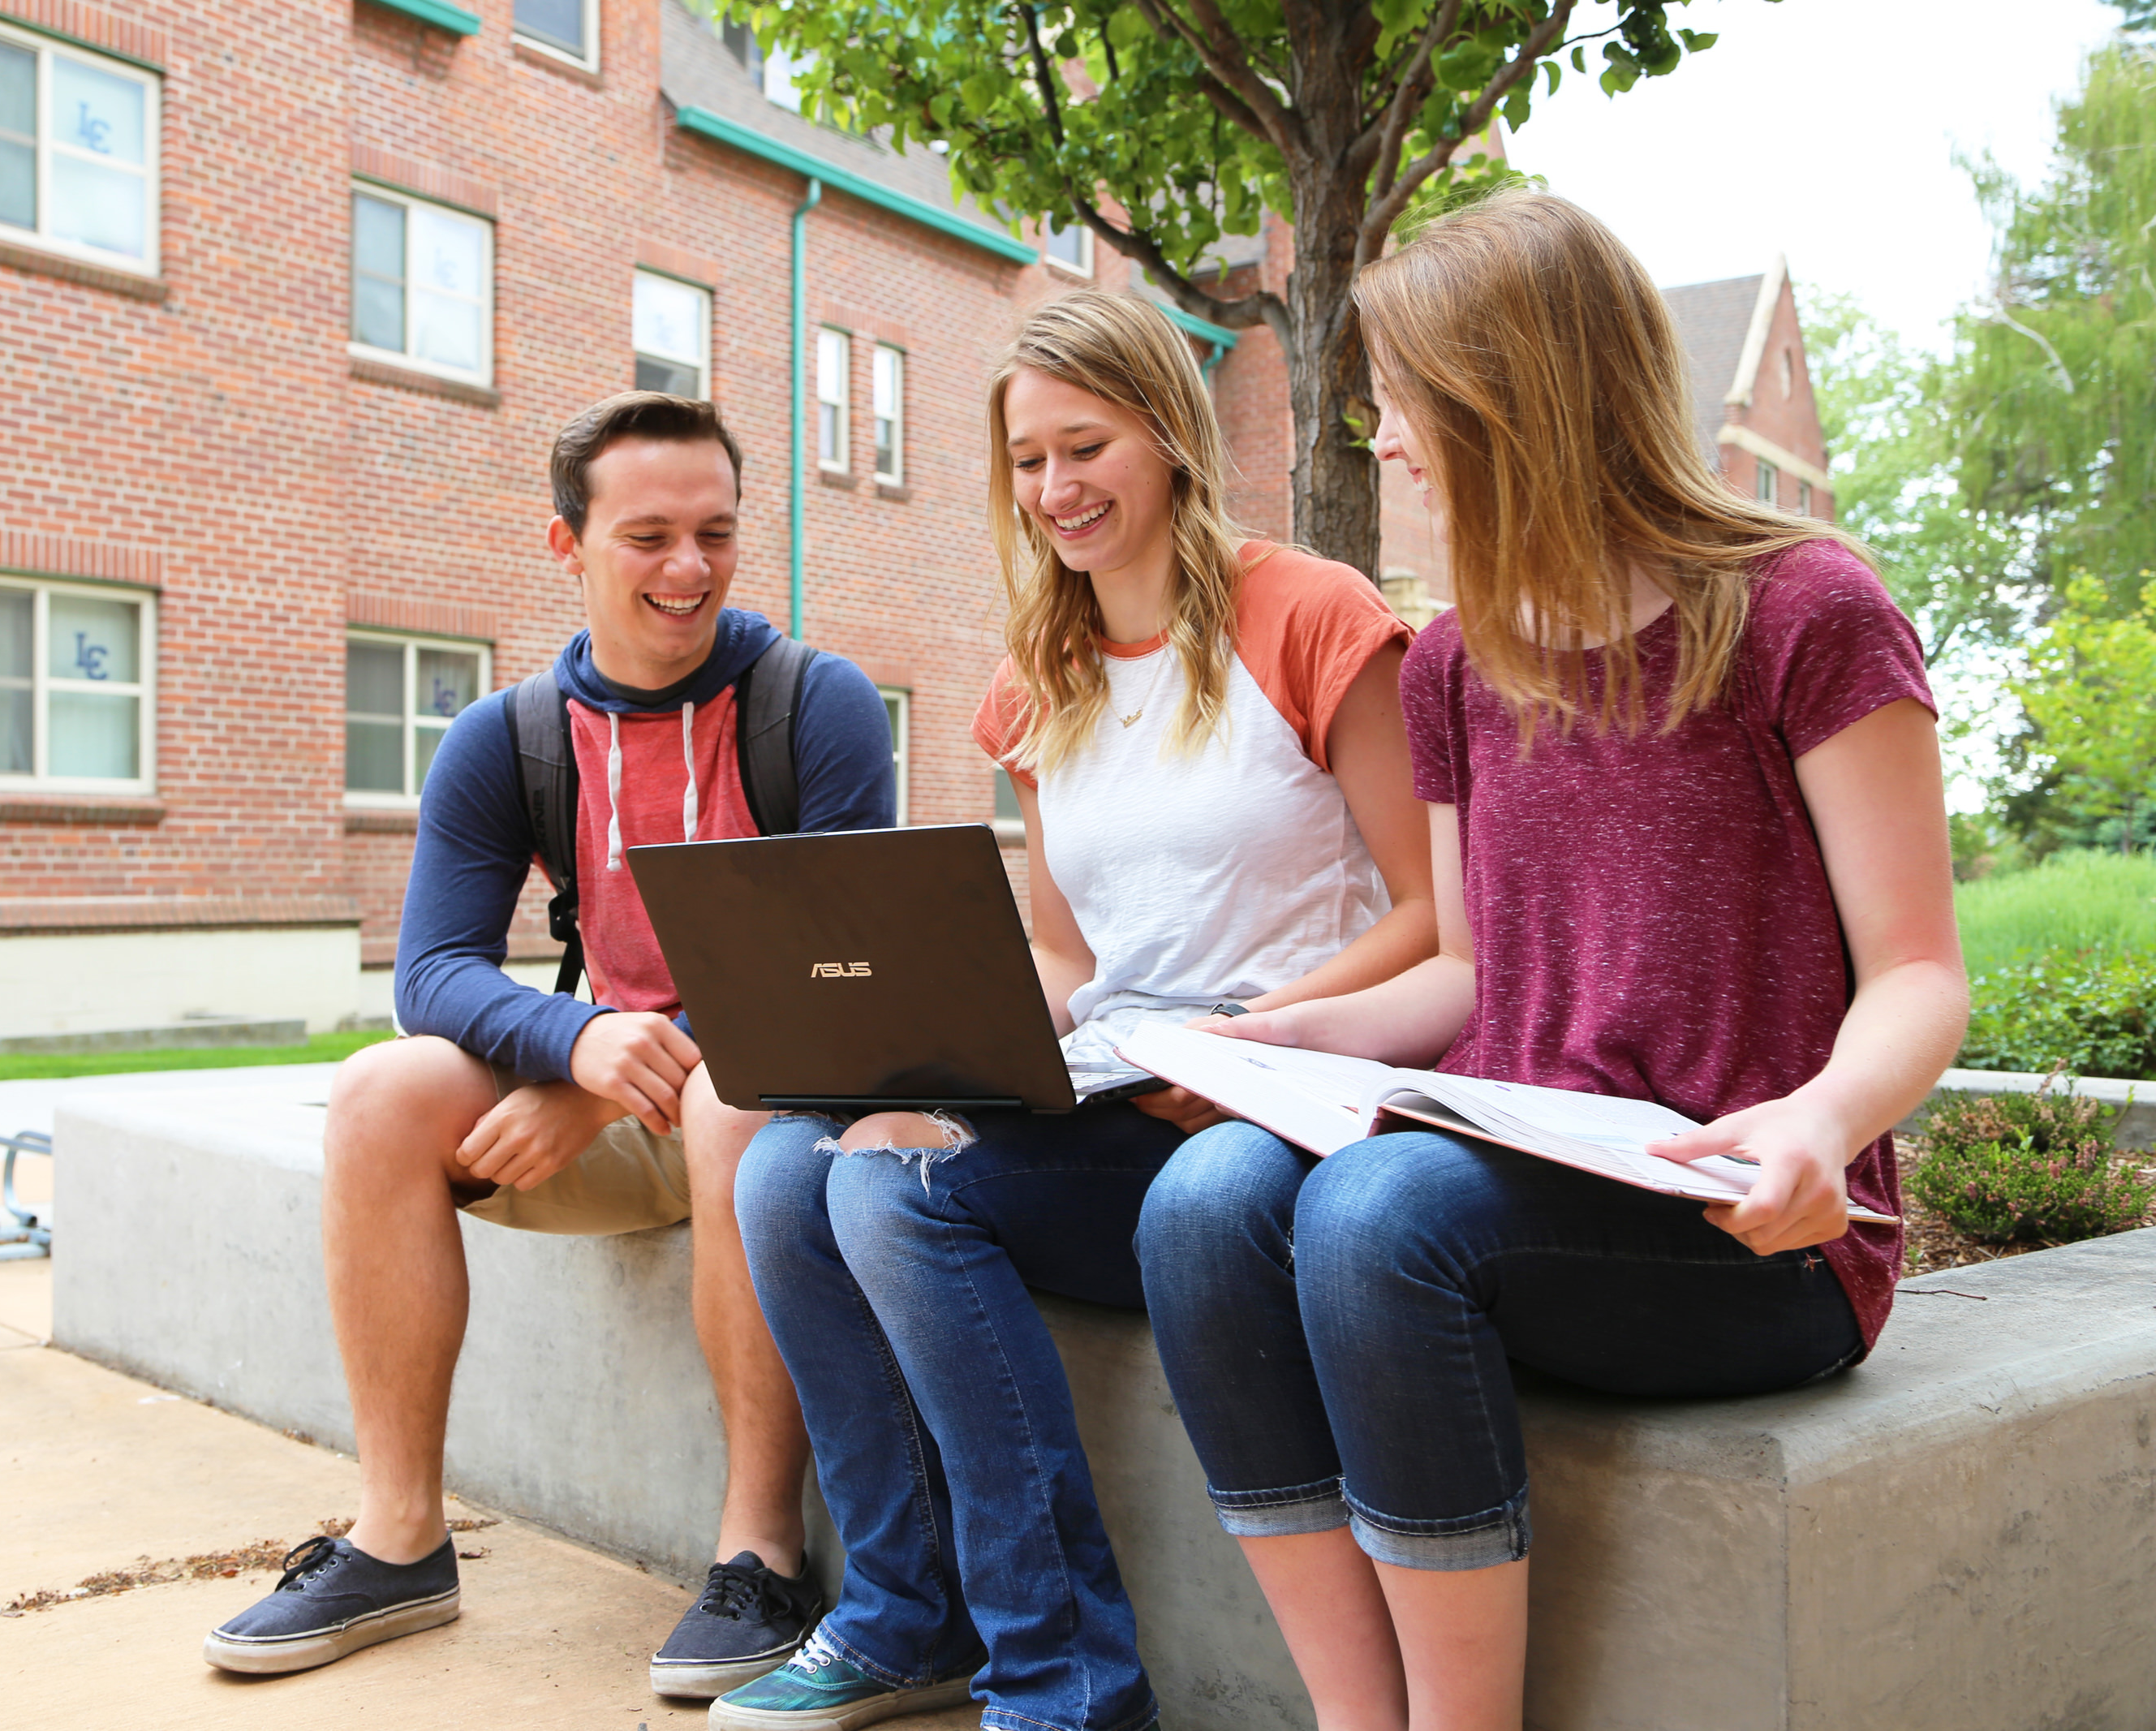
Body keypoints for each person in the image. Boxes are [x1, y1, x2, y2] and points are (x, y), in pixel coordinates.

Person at [1134, 190, 1969, 1731]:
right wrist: (1279, 1035)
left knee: (1375, 1211)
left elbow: (1920, 972)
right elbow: (1467, 972)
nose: (1385, 441)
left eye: (1404, 400)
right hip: (1517, 1172)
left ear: (1508, 397)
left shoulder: (1806, 611)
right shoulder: (1456, 661)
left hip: (1753, 1226)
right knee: (1202, 1202)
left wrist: (1822, 1119)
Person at [716, 290, 1435, 1731]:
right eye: (1028, 460)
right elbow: (1063, 953)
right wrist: (947, 1049)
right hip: (1117, 1086)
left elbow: (1430, 914)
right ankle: (903, 1615)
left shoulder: (1315, 616)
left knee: (900, 1186)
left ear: (1170, 434)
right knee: (790, 1168)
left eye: (1086, 447)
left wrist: (1255, 1030)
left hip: (1275, 1092)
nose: (1056, 489)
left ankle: (1066, 1685)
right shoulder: (1034, 678)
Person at [204, 393, 897, 1698]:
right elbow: (431, 973)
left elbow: (841, 967)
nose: (689, 567)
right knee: (379, 1089)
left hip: (774, 1114)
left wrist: (598, 1087)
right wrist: (575, 1045)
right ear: (567, 542)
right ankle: (399, 1539)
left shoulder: (816, 705)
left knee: (735, 1092)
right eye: (649, 536)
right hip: (624, 1089)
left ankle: (760, 1553)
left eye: (716, 533)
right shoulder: (509, 738)